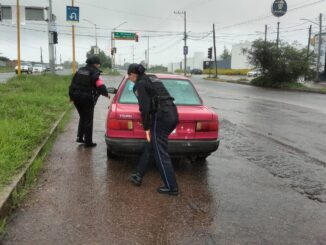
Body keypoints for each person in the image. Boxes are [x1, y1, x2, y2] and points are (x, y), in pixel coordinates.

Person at [128, 63, 179, 196]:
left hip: (161, 117)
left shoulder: (139, 84)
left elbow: (144, 108)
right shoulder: (153, 78)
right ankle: (138, 174)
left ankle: (171, 187)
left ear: (134, 74)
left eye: (129, 76)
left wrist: (146, 127)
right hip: (173, 113)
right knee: (153, 145)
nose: (129, 78)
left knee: (160, 153)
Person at [69, 56, 109, 147]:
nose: (99, 66)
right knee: (88, 119)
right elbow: (100, 85)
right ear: (95, 64)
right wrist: (106, 93)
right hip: (86, 98)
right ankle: (88, 142)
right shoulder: (95, 72)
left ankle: (80, 137)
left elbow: (72, 84)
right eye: (99, 64)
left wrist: (71, 96)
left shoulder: (80, 70)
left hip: (76, 97)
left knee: (83, 117)